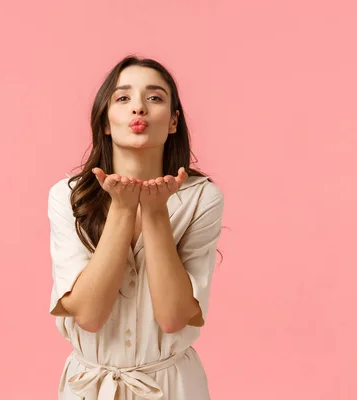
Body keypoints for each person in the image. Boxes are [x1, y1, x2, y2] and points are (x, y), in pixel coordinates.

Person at [47, 55, 225, 400]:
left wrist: (156, 213)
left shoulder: (202, 198)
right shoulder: (67, 196)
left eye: (154, 97)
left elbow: (174, 318)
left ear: (173, 121)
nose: (139, 108)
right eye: (123, 98)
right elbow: (89, 315)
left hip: (171, 387)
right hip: (89, 388)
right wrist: (124, 208)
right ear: (106, 123)